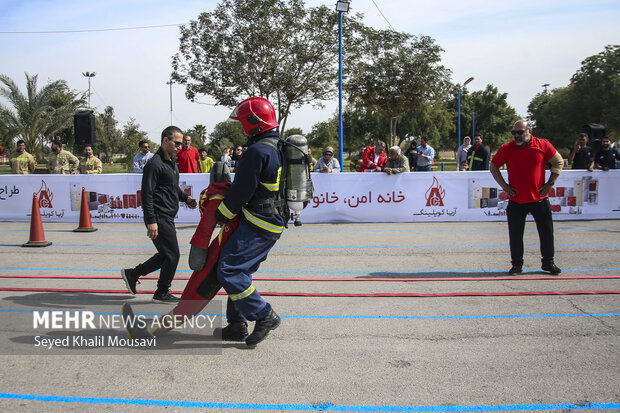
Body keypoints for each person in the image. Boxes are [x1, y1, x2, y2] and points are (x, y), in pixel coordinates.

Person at [215, 96, 284, 347]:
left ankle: (264, 315)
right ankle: (236, 324)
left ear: (252, 123)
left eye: (243, 122)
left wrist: (221, 213)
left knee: (229, 270)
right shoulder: (279, 146)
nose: (242, 128)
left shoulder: (257, 151)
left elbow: (240, 193)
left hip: (258, 222)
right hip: (272, 220)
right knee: (241, 272)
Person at [121, 126, 197, 303]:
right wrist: (151, 221)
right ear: (165, 141)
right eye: (176, 143)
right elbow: (146, 194)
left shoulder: (171, 162)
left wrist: (186, 199)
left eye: (181, 143)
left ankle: (133, 274)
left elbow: (172, 188)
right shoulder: (154, 164)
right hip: (159, 216)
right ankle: (161, 292)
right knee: (173, 255)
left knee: (165, 254)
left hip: (167, 216)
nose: (180, 146)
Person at [489, 119, 564, 276]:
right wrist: (505, 187)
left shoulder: (542, 145)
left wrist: (550, 183)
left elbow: (558, 161)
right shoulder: (506, 148)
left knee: (546, 232)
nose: (516, 135)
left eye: (520, 132)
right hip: (516, 200)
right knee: (515, 235)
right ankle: (516, 265)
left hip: (539, 199)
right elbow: (494, 166)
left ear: (529, 131)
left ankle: (548, 263)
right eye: (514, 133)